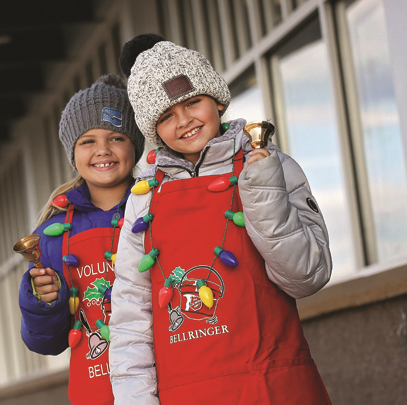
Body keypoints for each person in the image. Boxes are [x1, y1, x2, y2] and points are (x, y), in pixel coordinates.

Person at [109, 34, 332, 404]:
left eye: (192, 102)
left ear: (217, 99)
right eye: (166, 116)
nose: (184, 121)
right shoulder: (143, 197)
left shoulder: (270, 165)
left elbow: (308, 276)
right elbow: (131, 314)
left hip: (276, 387)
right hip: (188, 395)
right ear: (154, 131)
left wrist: (263, 192)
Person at [18, 73, 144, 404]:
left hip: (171, 382)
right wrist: (44, 302)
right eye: (87, 141)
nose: (103, 150)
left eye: (116, 137)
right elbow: (46, 343)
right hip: (97, 392)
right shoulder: (51, 236)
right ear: (72, 153)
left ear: (135, 144)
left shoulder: (158, 207)